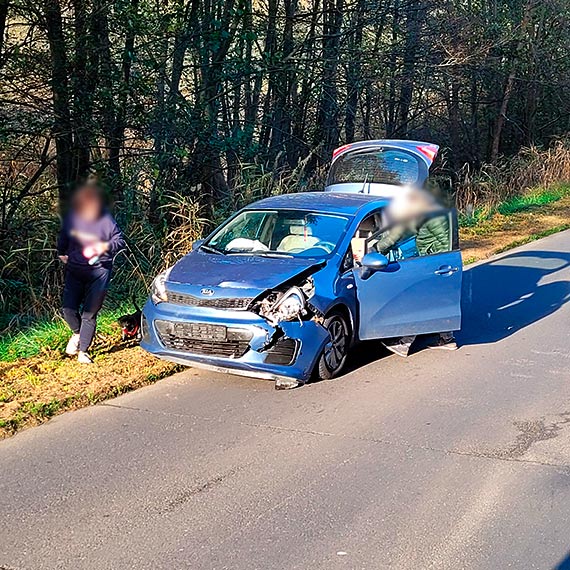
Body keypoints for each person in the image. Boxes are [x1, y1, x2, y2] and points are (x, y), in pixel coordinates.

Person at [373, 186, 457, 357]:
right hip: (448, 257)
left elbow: (398, 233)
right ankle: (447, 338)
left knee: (419, 300)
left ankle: (404, 342)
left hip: (433, 259)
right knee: (441, 299)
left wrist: (375, 248)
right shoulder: (443, 206)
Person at [57, 182, 125, 363]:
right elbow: (63, 238)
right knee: (68, 309)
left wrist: (105, 246)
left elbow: (120, 241)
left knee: (90, 313)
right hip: (75, 270)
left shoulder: (106, 221)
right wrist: (62, 254)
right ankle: (77, 334)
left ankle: (84, 352)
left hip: (99, 271)